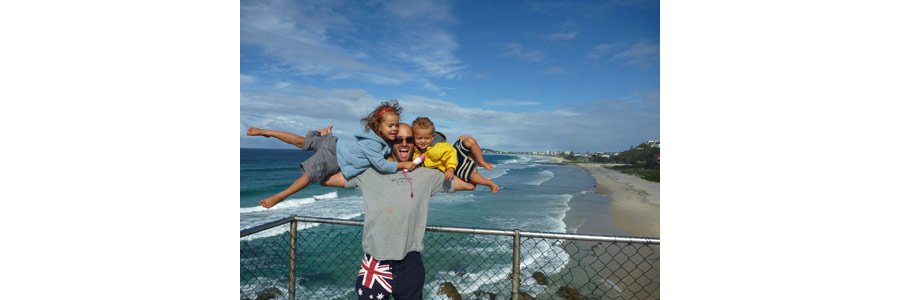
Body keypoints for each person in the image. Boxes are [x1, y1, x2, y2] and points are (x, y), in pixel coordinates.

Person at [344, 123, 455, 300]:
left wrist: (464, 147)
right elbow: (323, 177)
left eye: (409, 139)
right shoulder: (368, 172)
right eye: (398, 139)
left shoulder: (427, 175)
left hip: (410, 264)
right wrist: (322, 142)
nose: (404, 143)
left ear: (415, 143)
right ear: (389, 142)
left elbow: (469, 183)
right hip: (375, 263)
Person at [245, 100, 417, 208]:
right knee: (309, 175)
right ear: (379, 126)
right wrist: (403, 164)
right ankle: (281, 196)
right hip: (334, 157)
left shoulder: (377, 139)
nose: (394, 129)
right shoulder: (374, 143)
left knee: (300, 141)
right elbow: (382, 165)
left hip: (334, 143)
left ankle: (266, 131)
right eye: (390, 126)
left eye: (396, 125)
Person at [413, 117, 499, 193]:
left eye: (427, 138)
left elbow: (450, 154)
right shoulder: (415, 150)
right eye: (419, 138)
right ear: (413, 137)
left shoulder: (437, 147)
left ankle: (481, 162)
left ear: (433, 136)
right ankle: (489, 182)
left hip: (455, 161)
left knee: (470, 141)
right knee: (472, 176)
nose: (423, 141)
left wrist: (450, 169)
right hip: (457, 163)